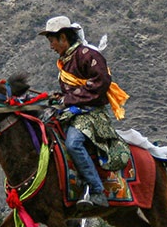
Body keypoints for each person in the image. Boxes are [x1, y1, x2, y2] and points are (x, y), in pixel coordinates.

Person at [39, 15, 129, 209]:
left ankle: (97, 191)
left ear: (63, 37)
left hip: (92, 114)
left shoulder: (88, 55)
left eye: (52, 41)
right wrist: (59, 98)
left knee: (73, 144)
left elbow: (101, 82)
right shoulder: (65, 61)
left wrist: (68, 99)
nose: (50, 46)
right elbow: (72, 92)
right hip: (73, 112)